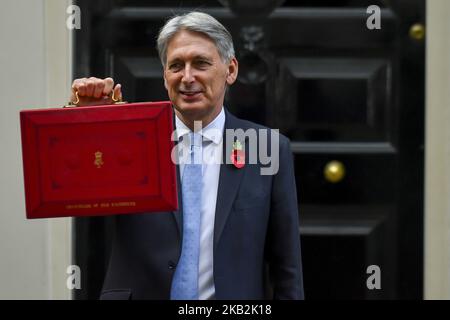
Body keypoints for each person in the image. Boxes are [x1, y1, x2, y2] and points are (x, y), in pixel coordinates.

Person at [70, 11, 304, 300]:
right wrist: (94, 125)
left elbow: (287, 268)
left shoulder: (267, 148)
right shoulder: (132, 140)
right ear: (164, 75)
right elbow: (77, 195)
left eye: (201, 63)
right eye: (176, 65)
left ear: (230, 70)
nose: (187, 77)